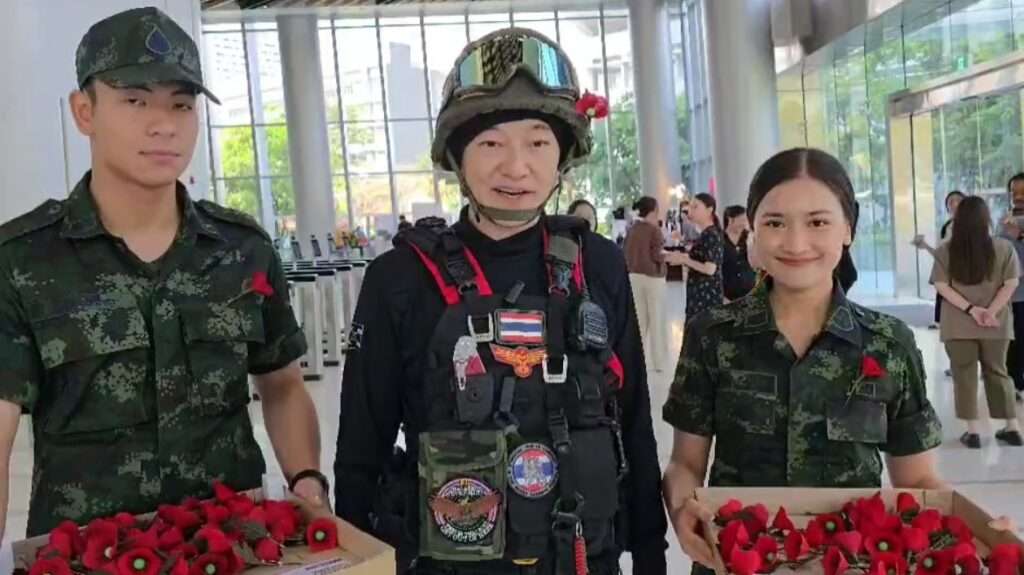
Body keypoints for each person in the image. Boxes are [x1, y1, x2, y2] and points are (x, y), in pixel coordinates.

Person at [333, 28, 667, 575]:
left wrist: (651, 555)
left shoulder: (597, 264)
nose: (516, 167)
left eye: (538, 143)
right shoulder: (399, 278)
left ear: (562, 156)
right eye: (490, 144)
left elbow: (632, 421)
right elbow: (361, 445)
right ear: (457, 156)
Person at [0, 7, 326, 540]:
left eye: (181, 104)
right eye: (135, 101)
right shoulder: (22, 260)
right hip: (88, 555)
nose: (164, 125)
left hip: (230, 545)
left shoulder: (242, 249)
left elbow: (282, 383)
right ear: (84, 112)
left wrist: (307, 479)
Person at [662, 148, 947, 572]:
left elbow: (917, 480)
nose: (796, 244)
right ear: (753, 228)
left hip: (850, 562)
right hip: (735, 559)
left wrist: (974, 530)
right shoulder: (713, 334)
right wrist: (683, 507)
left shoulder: (888, 344)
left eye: (817, 222)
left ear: (847, 228)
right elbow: (685, 462)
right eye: (775, 223)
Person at [930, 196, 1022, 448]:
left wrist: (972, 310)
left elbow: (941, 286)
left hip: (958, 325)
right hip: (996, 324)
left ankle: (973, 433)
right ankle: (1012, 427)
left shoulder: (946, 250)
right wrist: (990, 311)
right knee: (999, 372)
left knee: (964, 374)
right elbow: (1011, 284)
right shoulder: (1004, 248)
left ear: (957, 220)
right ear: (986, 219)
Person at [624, 197, 671, 372]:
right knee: (657, 320)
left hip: (634, 277)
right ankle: (659, 363)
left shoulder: (632, 229)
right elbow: (657, 255)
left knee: (639, 322)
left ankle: (637, 361)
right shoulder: (654, 230)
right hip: (653, 278)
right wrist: (668, 257)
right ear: (654, 210)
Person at [914, 190, 965, 328]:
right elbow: (940, 253)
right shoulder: (946, 226)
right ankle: (940, 322)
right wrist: (925, 246)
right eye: (950, 202)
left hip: (961, 270)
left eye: (958, 201)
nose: (954, 204)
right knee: (943, 294)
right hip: (946, 268)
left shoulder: (970, 226)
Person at [673, 193, 723, 319]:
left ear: (709, 210)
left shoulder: (711, 234)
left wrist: (685, 260)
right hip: (699, 293)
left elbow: (710, 269)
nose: (691, 211)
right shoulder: (705, 233)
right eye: (690, 207)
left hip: (705, 296)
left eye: (695, 207)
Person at [1000, 173, 1024, 403]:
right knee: (1013, 340)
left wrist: (1020, 235)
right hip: (1011, 295)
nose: (1018, 197)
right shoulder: (1005, 219)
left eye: (1023, 192)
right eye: (1014, 192)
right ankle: (1014, 383)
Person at [721, 205, 756, 301]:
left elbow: (756, 263)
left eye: (745, 220)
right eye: (742, 220)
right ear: (730, 220)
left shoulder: (749, 237)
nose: (744, 223)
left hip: (749, 289)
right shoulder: (719, 239)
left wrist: (751, 242)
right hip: (727, 293)